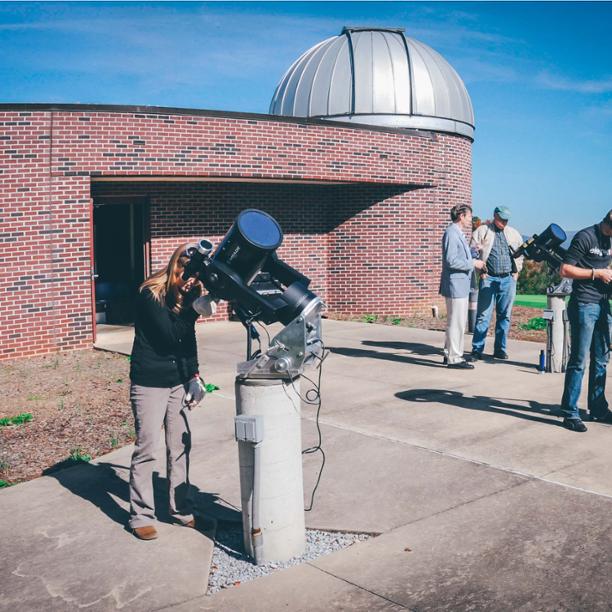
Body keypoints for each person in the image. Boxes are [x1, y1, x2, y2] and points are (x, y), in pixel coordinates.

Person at [128, 243, 217, 540]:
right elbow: (169, 337)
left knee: (180, 445)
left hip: (177, 381)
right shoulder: (150, 294)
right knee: (147, 447)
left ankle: (181, 511)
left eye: (191, 271)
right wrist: (192, 311)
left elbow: (187, 341)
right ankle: (141, 515)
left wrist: (194, 376)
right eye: (181, 267)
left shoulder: (188, 294)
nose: (185, 275)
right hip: (149, 382)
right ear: (172, 264)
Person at [558, 211, 612, 432]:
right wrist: (596, 273)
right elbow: (565, 269)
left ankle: (598, 408)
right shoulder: (585, 236)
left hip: (603, 304)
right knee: (579, 361)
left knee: (601, 360)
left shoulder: (609, 240)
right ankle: (570, 412)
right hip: (583, 304)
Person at [470, 206, 524, 360]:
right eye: (501, 219)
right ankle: (477, 349)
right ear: (495, 216)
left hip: (508, 279)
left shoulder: (513, 233)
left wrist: (516, 273)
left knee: (505, 316)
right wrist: (480, 271)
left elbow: (520, 254)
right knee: (483, 316)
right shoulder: (482, 231)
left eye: (506, 220)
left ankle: (500, 349)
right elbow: (472, 252)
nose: (504, 222)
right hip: (489, 278)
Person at [440, 204, 486, 369]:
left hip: (459, 285)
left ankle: (449, 354)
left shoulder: (457, 233)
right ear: (461, 216)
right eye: (469, 216)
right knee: (457, 323)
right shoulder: (452, 233)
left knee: (454, 322)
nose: (470, 220)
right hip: (456, 286)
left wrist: (473, 251)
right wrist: (473, 263)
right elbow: (451, 261)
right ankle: (455, 358)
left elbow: (458, 256)